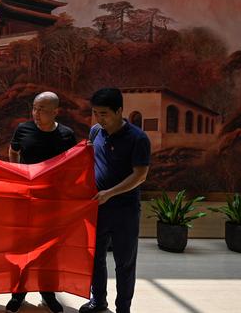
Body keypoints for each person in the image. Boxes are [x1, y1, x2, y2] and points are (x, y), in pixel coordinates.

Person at [79, 88, 150, 313]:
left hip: (125, 211)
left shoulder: (138, 138)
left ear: (120, 110)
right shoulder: (95, 132)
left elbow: (140, 175)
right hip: (97, 208)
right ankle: (98, 301)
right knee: (95, 258)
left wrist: (109, 193)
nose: (99, 119)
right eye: (95, 113)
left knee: (124, 263)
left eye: (104, 114)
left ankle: (123, 309)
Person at [5, 91, 77, 313]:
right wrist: (20, 174)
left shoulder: (66, 135)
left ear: (56, 111)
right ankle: (19, 292)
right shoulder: (23, 129)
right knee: (22, 246)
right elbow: (13, 152)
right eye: (35, 108)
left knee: (50, 249)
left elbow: (73, 164)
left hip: (53, 202)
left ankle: (48, 292)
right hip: (27, 198)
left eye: (43, 110)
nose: (37, 113)